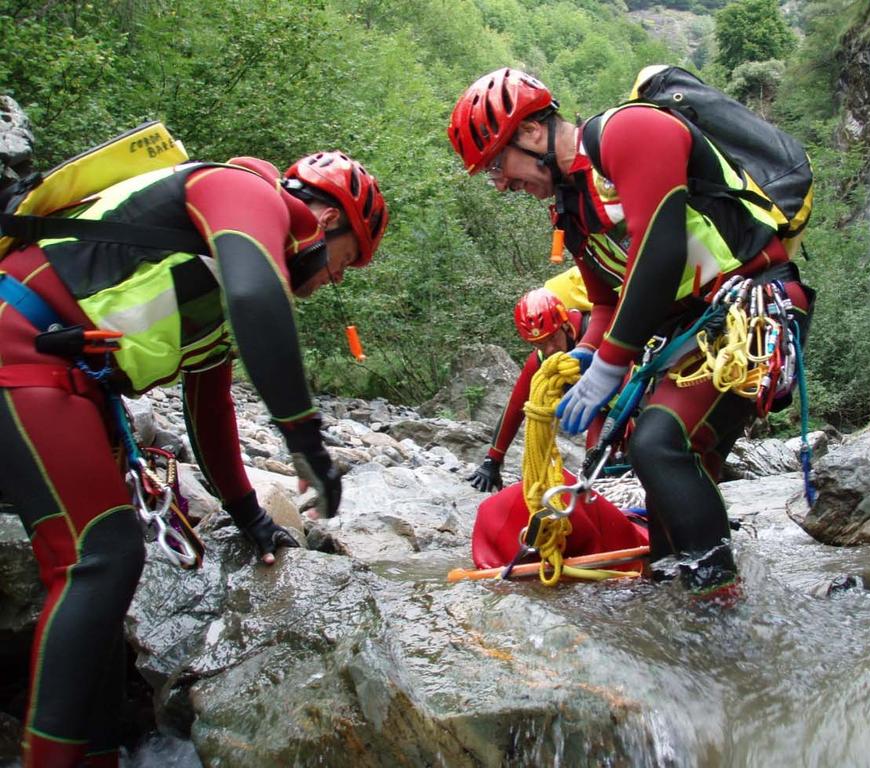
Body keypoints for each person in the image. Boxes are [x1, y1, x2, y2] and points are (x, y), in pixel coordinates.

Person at [0, 149, 388, 767]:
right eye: (350, 260)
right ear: (328, 221)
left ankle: (95, 755)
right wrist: (305, 441)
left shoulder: (209, 282)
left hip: (61, 374)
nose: (339, 278)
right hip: (22, 347)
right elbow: (258, 297)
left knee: (95, 573)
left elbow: (211, 413)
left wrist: (250, 517)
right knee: (100, 559)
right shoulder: (241, 190)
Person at [449, 68, 814, 597]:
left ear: (530, 134)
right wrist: (586, 357)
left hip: (754, 305)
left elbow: (660, 251)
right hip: (695, 332)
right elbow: (604, 300)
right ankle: (685, 598)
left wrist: (611, 364)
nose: (501, 184)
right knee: (671, 489)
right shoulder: (573, 212)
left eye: (497, 166)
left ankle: (720, 607)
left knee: (658, 443)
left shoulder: (632, 131)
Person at [467, 286, 587, 492]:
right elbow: (516, 406)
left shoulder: (593, 330)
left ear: (565, 325)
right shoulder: (540, 360)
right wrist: (492, 462)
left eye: (551, 339)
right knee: (599, 470)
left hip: (632, 399)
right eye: (539, 343)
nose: (549, 350)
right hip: (603, 413)